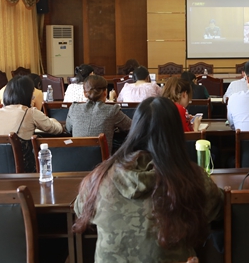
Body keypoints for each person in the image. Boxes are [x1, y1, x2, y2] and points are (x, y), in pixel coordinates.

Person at [73, 97, 223, 262]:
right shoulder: (191, 177)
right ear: (176, 133)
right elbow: (218, 209)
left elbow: (81, 209)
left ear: (135, 128)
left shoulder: (100, 177)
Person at [0, 76, 63, 172]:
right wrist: (53, 120)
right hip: (25, 170)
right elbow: (57, 130)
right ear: (28, 95)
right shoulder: (30, 112)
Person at [66, 75, 132, 148]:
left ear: (85, 93)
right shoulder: (112, 110)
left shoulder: (74, 108)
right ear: (105, 93)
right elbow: (132, 127)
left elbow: (68, 129)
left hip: (77, 155)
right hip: (103, 155)